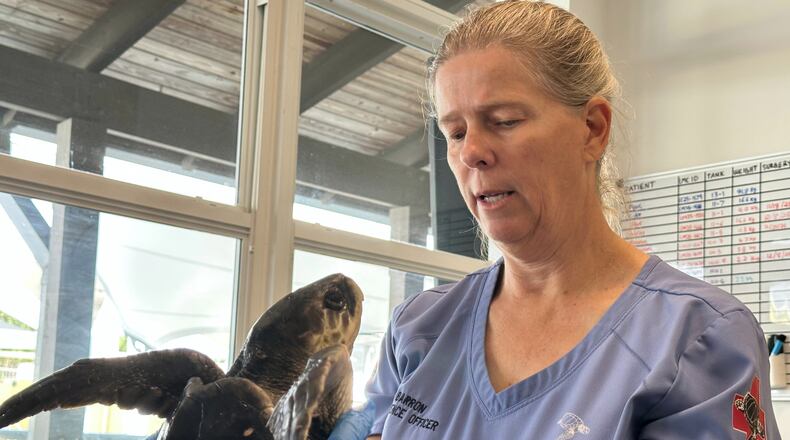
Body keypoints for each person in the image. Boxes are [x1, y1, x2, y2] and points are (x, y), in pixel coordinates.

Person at [332, 1, 781, 438]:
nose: (472, 153)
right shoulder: (420, 327)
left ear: (593, 129)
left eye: (504, 121)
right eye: (456, 132)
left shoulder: (698, 337)